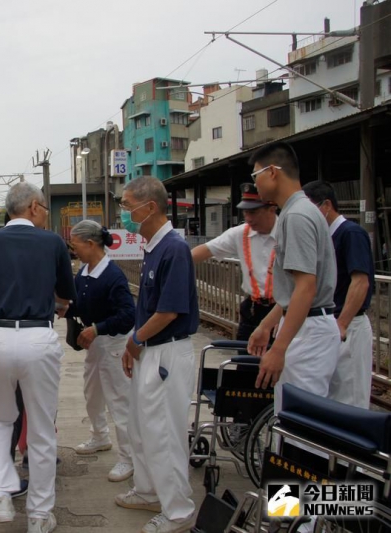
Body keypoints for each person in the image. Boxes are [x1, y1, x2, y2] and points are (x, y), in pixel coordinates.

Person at [0, 182, 75, 533]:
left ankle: (1, 493)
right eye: (45, 208)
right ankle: (39, 516)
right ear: (33, 207)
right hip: (37, 337)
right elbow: (65, 294)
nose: (46, 214)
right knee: (42, 430)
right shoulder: (53, 243)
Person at [118, 177, 198, 533]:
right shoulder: (154, 247)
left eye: (126, 205)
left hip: (167, 352)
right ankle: (149, 490)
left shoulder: (173, 249)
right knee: (142, 427)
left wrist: (134, 339)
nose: (123, 213)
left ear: (149, 207)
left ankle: (178, 511)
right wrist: (136, 344)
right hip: (152, 351)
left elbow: (168, 311)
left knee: (164, 434)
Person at [246, 142, 340, 415]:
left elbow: (306, 288)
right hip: (306, 323)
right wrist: (267, 325)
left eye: (256, 176)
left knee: (301, 422)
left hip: (309, 329)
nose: (255, 184)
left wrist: (279, 349)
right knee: (293, 418)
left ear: (273, 172)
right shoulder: (297, 211)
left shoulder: (297, 216)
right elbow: (295, 290)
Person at [66, 220, 136, 483]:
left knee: (120, 400)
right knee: (92, 392)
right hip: (96, 344)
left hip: (115, 344)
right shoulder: (85, 271)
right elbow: (80, 303)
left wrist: (97, 329)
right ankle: (100, 436)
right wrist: (66, 309)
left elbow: (128, 315)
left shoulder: (112, 276)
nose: (74, 250)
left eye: (76, 245)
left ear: (91, 244)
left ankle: (128, 458)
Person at [303, 181, 374, 408]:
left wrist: (342, 323)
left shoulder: (351, 234)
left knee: (350, 396)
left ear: (326, 206)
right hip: (330, 325)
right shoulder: (324, 238)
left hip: (348, 324)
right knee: (332, 395)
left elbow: (360, 282)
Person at [191, 183, 279, 341]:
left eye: (253, 212)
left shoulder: (289, 232)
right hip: (253, 308)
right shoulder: (240, 234)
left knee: (279, 363)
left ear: (271, 209)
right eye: (245, 212)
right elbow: (205, 250)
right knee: (245, 360)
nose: (248, 218)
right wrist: (171, 265)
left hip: (281, 310)